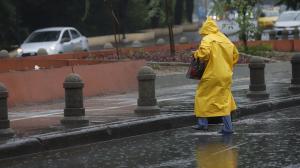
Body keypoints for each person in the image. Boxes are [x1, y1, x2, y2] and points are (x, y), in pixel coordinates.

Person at [192, 17, 239, 134]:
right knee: (224, 99)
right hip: (226, 74)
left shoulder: (207, 39)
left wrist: (196, 54)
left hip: (212, 74)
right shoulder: (224, 38)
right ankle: (228, 127)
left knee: (202, 95)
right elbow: (236, 54)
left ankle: (202, 124)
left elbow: (204, 54)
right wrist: (227, 65)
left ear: (206, 29)